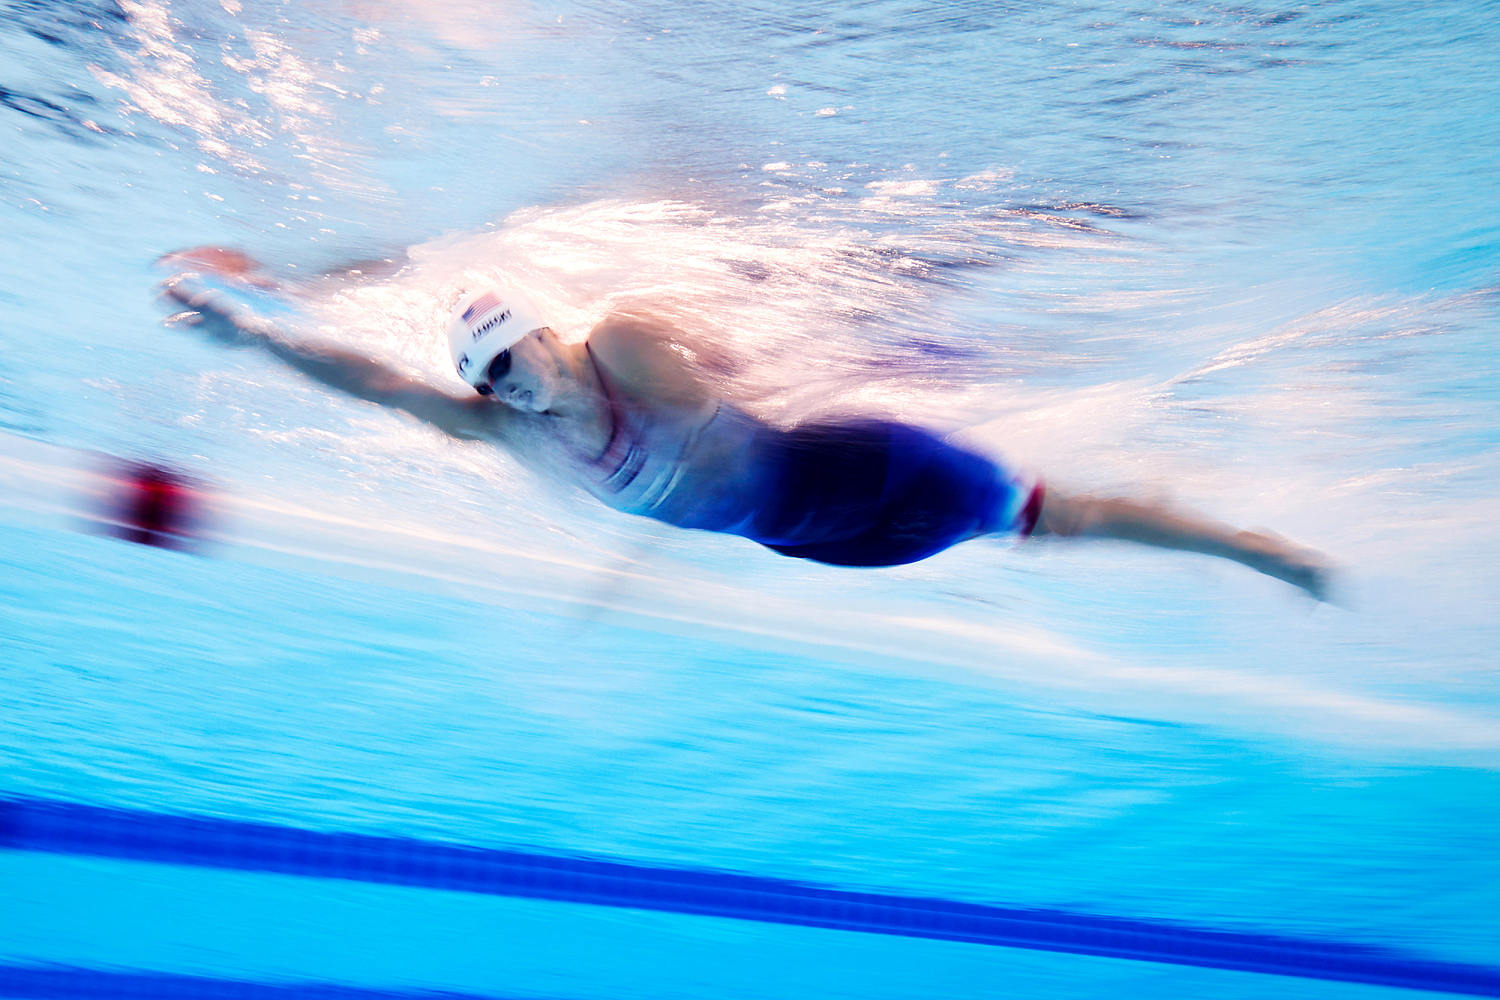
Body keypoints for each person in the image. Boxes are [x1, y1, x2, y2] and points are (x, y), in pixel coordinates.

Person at [159, 255, 1332, 599]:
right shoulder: (510, 435)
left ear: (538, 330)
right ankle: (1186, 500)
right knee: (1018, 532)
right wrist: (255, 335)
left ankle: (1254, 549)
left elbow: (742, 331)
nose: (502, 390)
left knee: (1053, 519)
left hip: (855, 462)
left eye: (506, 360)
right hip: (815, 544)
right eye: (483, 381)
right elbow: (370, 384)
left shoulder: (616, 342)